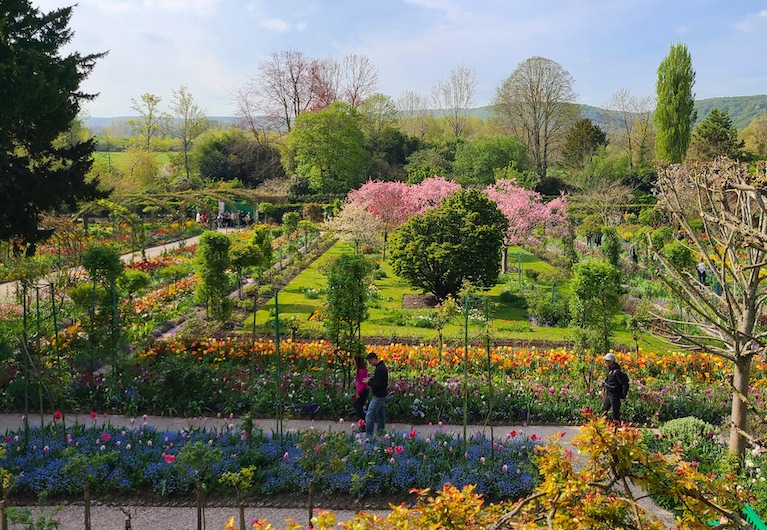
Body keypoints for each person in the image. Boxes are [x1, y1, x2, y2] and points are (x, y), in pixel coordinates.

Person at [364, 352, 388, 436]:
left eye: (370, 362)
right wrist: (371, 379)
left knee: (370, 414)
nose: (370, 364)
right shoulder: (380, 367)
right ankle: (380, 433)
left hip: (379, 395)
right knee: (380, 415)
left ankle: (369, 435)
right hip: (381, 394)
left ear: (373, 359)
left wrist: (369, 382)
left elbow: (379, 384)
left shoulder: (380, 369)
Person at [600, 353, 629, 421]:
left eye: (607, 360)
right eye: (605, 360)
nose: (605, 362)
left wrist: (622, 396)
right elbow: (609, 381)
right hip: (609, 394)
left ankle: (617, 430)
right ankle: (601, 428)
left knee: (615, 414)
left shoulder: (617, 372)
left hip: (615, 395)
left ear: (612, 361)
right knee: (603, 412)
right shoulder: (610, 370)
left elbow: (625, 385)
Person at [351, 355, 369, 429]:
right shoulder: (362, 369)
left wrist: (358, 392)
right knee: (359, 407)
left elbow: (363, 383)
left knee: (358, 407)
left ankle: (363, 424)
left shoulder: (361, 371)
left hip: (362, 391)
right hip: (362, 390)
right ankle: (363, 424)